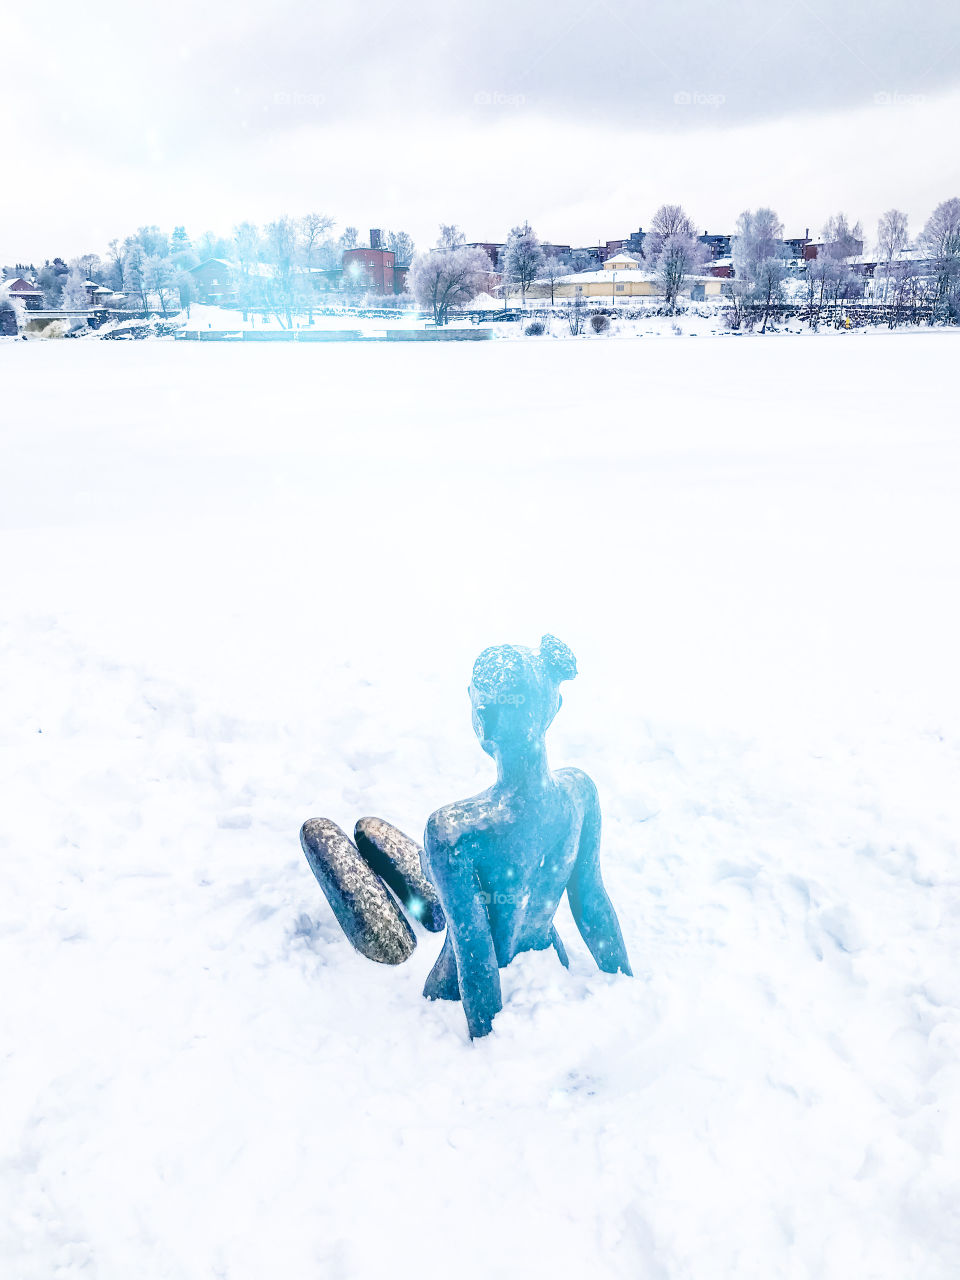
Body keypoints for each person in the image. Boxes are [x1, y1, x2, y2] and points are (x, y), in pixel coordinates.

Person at [422, 635, 632, 1038]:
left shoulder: (454, 831)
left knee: (423, 871)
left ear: (480, 716)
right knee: (426, 875)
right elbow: (591, 901)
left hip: (451, 999)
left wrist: (488, 1047)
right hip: (544, 960)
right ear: (554, 707)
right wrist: (626, 982)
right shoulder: (579, 793)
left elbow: (475, 952)